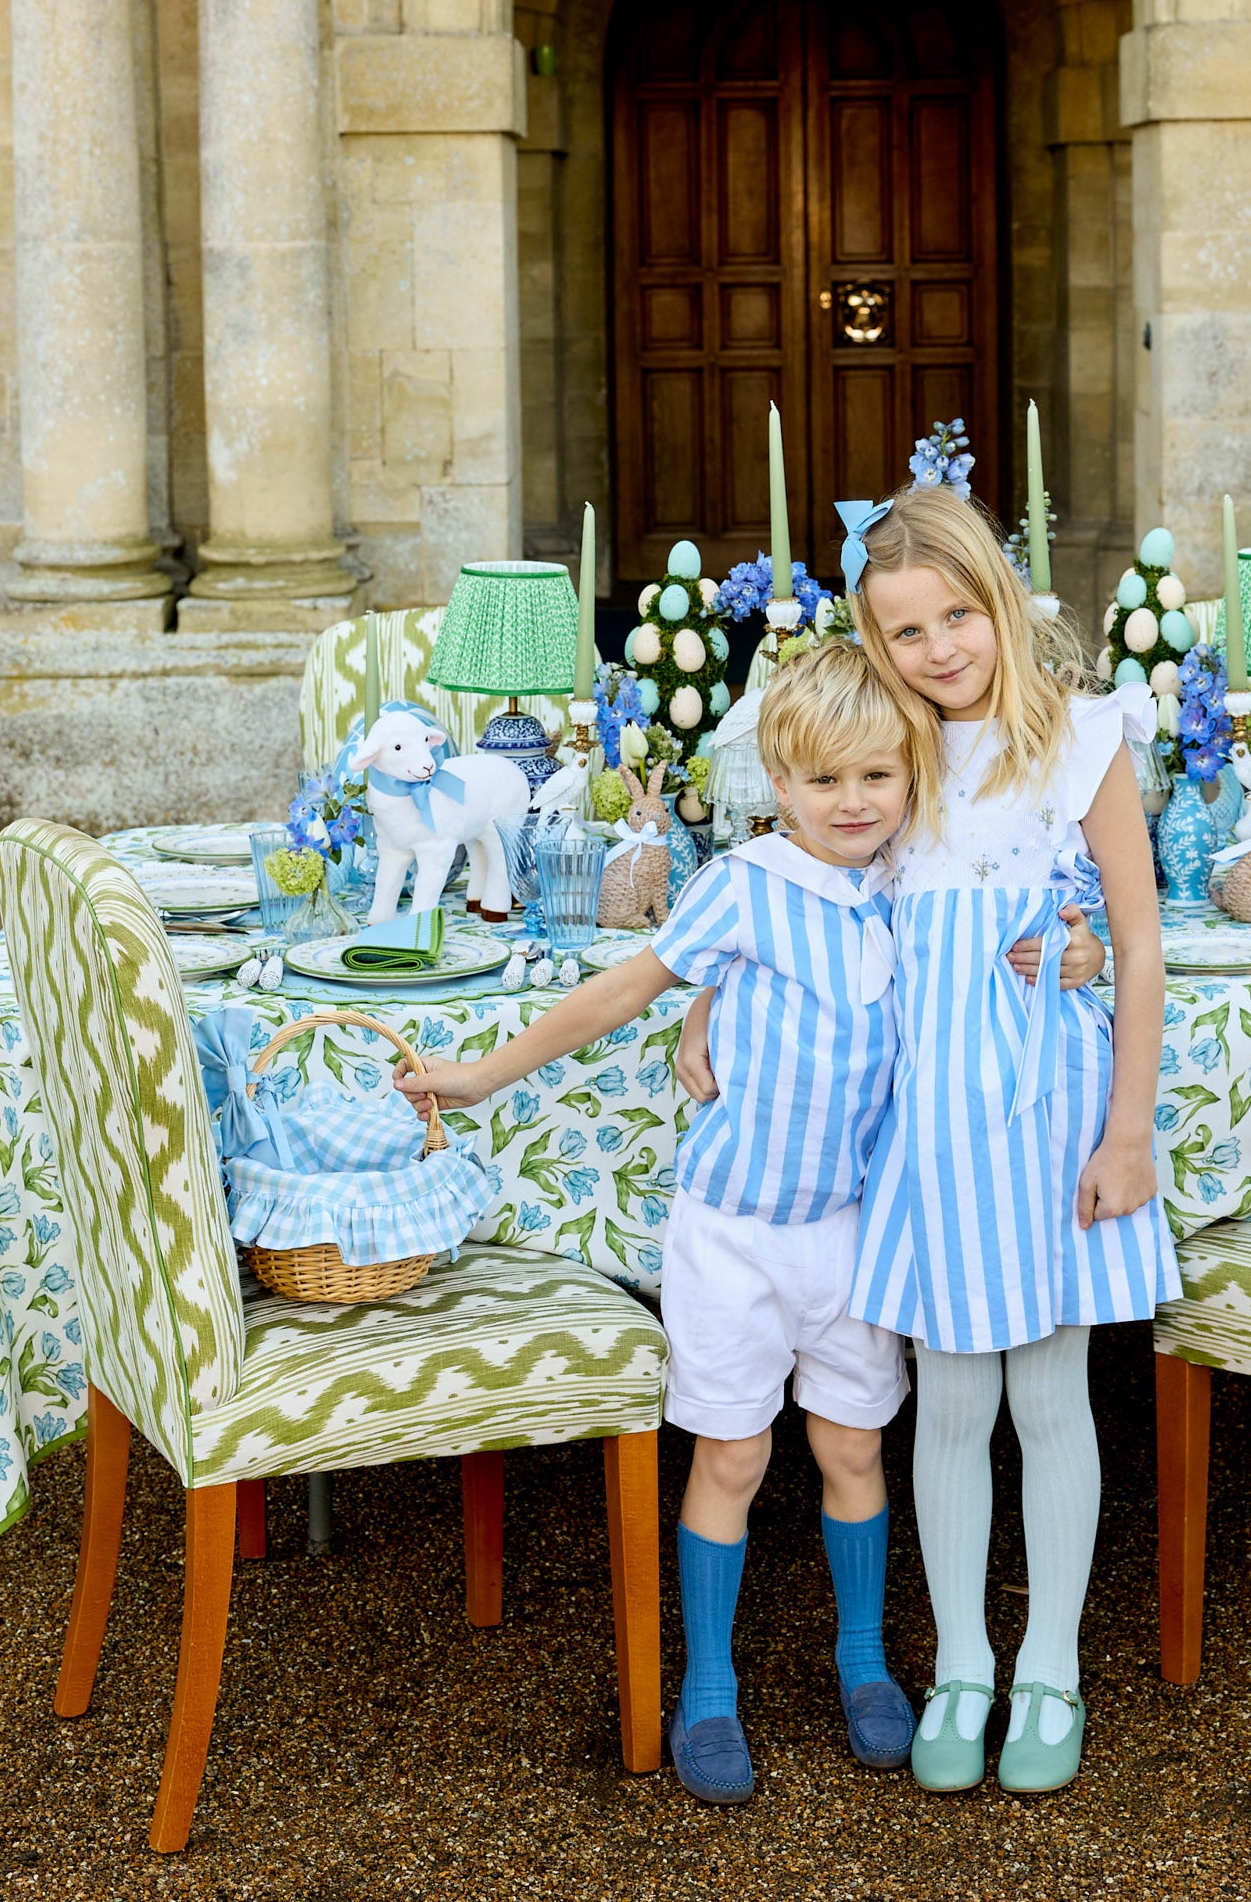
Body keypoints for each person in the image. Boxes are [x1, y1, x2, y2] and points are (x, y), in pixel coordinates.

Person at [398, 644, 925, 1805]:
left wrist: (1080, 946)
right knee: (732, 1452)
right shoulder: (741, 880)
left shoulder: (911, 881)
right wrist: (484, 1073)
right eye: (824, 781)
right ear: (778, 783)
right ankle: (707, 1681)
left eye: (876, 777)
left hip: (851, 1229)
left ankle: (862, 1654)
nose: (852, 803)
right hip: (733, 1232)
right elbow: (622, 987)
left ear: (910, 777)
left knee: (849, 1446)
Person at [836, 485, 1178, 1796]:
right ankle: (963, 1660)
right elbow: (808, 893)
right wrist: (709, 993)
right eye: (907, 631)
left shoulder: (1085, 741)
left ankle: (1050, 1664)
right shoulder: (888, 752)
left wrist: (1131, 1127)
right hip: (930, 1131)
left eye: (958, 616)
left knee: (1048, 1395)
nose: (940, 650)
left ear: (998, 599)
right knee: (950, 1401)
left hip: (1047, 1116)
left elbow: (1137, 941)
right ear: (879, 645)